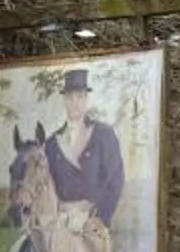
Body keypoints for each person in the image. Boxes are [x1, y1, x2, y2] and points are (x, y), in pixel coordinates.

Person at [44, 68, 125, 226]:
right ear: (64, 101)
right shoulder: (52, 144)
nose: (75, 103)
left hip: (94, 224)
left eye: (80, 97)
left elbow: (115, 180)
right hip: (60, 223)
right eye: (70, 97)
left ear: (87, 100)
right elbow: (47, 185)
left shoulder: (104, 135)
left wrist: (99, 218)